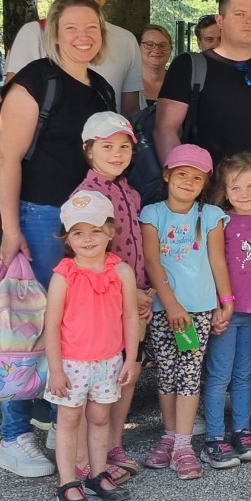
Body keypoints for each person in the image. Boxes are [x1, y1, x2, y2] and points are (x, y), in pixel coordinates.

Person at [0, 0, 116, 476]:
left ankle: (55, 414)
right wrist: (10, 227)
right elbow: (8, 158)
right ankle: (13, 433)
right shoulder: (35, 82)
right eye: (72, 28)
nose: (83, 36)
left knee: (77, 323)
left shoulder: (102, 89)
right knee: (35, 322)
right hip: (43, 216)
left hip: (91, 224)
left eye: (92, 27)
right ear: (54, 33)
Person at [42, 190, 140, 501]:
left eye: (95, 230)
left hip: (109, 361)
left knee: (100, 418)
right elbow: (52, 325)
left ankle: (97, 474)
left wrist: (131, 357)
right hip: (71, 364)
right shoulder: (63, 276)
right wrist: (56, 369)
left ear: (110, 232)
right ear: (67, 237)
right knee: (69, 421)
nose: (87, 239)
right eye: (78, 233)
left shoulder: (121, 272)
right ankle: (67, 481)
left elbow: (129, 317)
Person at [139, 144, 230, 480]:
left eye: (197, 177)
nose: (189, 182)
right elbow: (151, 261)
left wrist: (226, 300)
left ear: (204, 182)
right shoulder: (152, 214)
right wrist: (172, 304)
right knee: (166, 373)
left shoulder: (210, 216)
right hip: (165, 309)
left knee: (190, 374)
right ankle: (168, 435)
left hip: (201, 309)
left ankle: (183, 444)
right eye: (182, 175)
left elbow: (217, 261)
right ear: (167, 175)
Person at [154, 0, 251, 185]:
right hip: (201, 198)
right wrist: (185, 192)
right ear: (220, 20)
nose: (249, 21)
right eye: (239, 14)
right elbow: (165, 130)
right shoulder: (188, 67)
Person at [72, 112, 148, 474]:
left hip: (137, 298)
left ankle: (113, 444)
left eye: (123, 146)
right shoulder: (87, 197)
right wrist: (130, 293)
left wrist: (143, 291)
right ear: (89, 150)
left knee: (125, 372)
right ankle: (85, 459)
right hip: (105, 301)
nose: (117, 154)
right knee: (95, 378)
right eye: (107, 147)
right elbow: (91, 255)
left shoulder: (129, 190)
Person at [199, 152, 251, 470]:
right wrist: (217, 303)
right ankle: (214, 437)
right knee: (219, 376)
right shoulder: (220, 220)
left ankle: (241, 432)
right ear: (225, 192)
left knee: (243, 376)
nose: (245, 194)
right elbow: (210, 264)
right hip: (227, 312)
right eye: (236, 188)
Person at [3, 0, 143, 116]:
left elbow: (130, 111)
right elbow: (9, 106)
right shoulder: (35, 33)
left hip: (104, 139)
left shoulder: (126, 40)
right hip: (46, 138)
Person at [138, 24, 172, 104]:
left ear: (170, 50)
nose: (156, 50)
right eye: (149, 44)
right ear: (138, 48)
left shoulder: (181, 83)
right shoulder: (126, 83)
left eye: (163, 45)